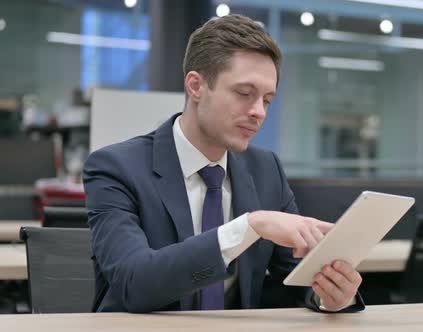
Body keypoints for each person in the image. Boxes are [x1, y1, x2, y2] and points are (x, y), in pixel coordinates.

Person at [83, 14, 364, 313]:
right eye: (244, 94)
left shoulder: (266, 170)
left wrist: (331, 294)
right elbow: (134, 283)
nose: (259, 112)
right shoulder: (116, 168)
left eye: (267, 100)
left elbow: (299, 280)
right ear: (196, 86)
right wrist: (248, 227)